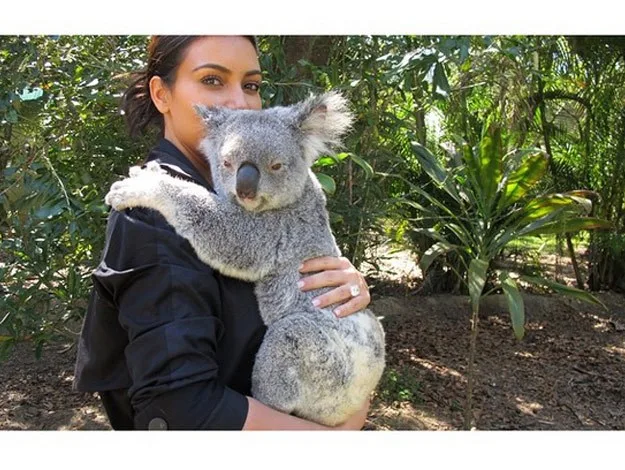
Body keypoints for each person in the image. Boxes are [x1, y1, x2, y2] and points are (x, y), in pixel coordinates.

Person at [73, 35, 372, 430]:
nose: (239, 101)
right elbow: (184, 409)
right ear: (162, 95)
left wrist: (348, 302)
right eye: (212, 80)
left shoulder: (254, 190)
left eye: (251, 85)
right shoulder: (152, 210)